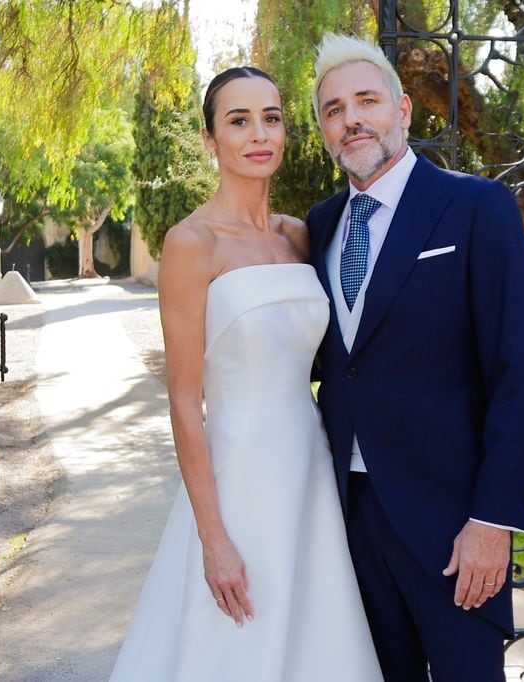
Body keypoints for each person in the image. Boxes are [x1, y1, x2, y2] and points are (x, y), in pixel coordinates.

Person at [109, 67, 383, 682]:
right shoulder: (191, 244)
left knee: (315, 640)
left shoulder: (300, 235)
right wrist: (213, 537)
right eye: (238, 121)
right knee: (236, 646)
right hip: (237, 482)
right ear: (211, 139)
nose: (259, 134)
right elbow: (184, 402)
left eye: (272, 117)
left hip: (310, 471)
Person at [306, 34, 524, 681]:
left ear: (403, 110)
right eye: (333, 109)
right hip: (347, 521)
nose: (351, 118)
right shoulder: (319, 227)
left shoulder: (475, 207)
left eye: (366, 100)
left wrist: (492, 521)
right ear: (325, 132)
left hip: (451, 525)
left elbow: (517, 375)